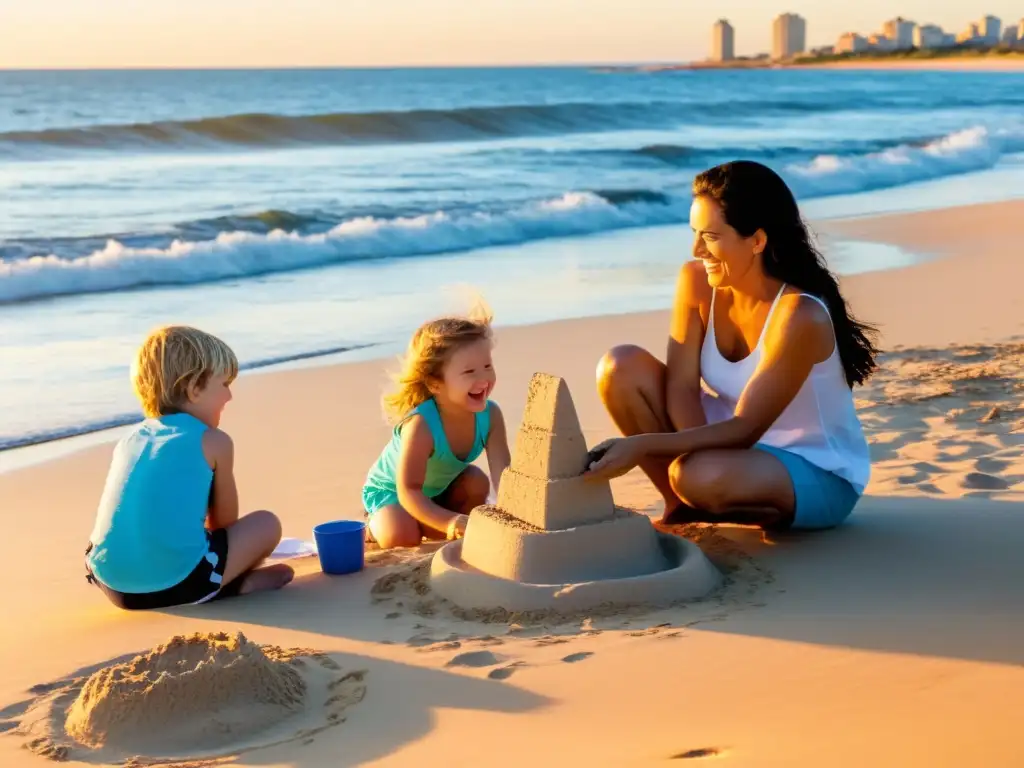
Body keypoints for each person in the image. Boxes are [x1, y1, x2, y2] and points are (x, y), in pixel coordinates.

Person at [587, 160, 877, 530]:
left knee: (700, 476)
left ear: (757, 240)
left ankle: (702, 491)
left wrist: (644, 445)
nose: (696, 249)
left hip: (812, 468)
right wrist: (692, 454)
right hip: (730, 445)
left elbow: (746, 428)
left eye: (709, 236)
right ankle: (681, 506)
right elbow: (681, 385)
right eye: (694, 233)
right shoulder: (696, 281)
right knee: (620, 366)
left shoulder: (800, 315)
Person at [85, 326, 292, 610]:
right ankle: (234, 585)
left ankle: (219, 581)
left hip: (115, 587)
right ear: (194, 389)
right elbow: (224, 524)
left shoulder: (129, 440)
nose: (229, 396)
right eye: (224, 385)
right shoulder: (214, 441)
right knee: (267, 524)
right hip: (180, 584)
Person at [362, 303, 511, 549]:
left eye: (487, 366)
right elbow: (409, 489)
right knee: (402, 538)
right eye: (469, 371)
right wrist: (451, 521)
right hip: (393, 494)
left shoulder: (491, 415)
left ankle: (429, 523)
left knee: (476, 483)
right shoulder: (421, 426)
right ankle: (373, 526)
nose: (483, 378)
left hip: (440, 489)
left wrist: (517, 513)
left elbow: (504, 476)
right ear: (435, 384)